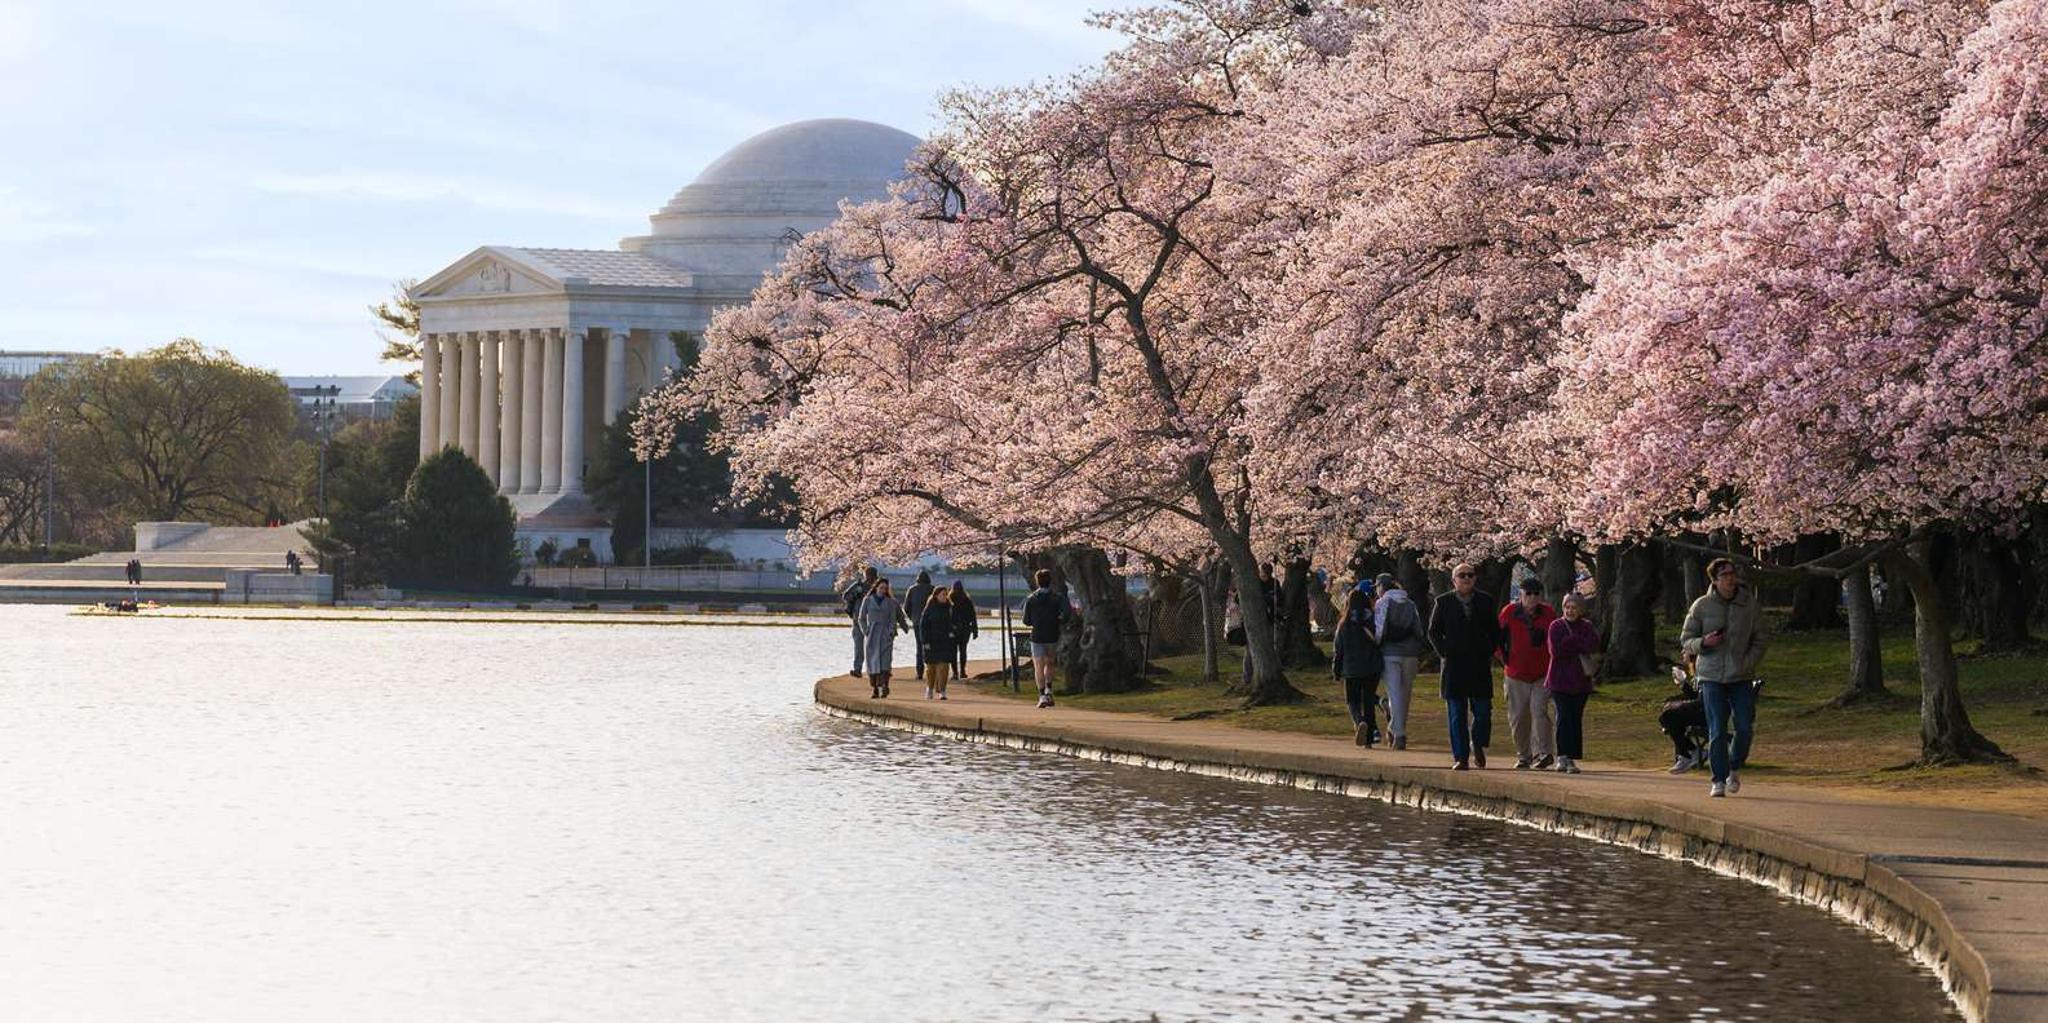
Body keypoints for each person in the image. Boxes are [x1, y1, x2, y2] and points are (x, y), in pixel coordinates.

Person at [1681, 558, 1768, 797]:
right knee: (1717, 728)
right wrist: (1703, 643)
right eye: (1725, 575)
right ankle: (1718, 779)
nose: (1730, 578)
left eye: (1732, 573)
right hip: (1711, 675)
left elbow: (1761, 638)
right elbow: (1686, 640)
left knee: (1744, 727)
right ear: (1715, 580)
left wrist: (1747, 662)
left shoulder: (1749, 605)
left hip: (1740, 675)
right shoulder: (1701, 606)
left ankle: (1734, 765)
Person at [1429, 563, 1501, 771]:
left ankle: (1477, 743)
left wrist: (1488, 650)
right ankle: (1461, 757)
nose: (1467, 578)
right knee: (1456, 714)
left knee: (1482, 712)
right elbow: (1433, 631)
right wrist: (1444, 652)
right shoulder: (1443, 602)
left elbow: (1494, 631)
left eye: (1470, 575)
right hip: (1454, 665)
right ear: (1454, 580)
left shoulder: (1485, 601)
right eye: (1462, 575)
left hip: (1478, 664)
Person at [1497, 578, 1559, 770]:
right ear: (1521, 595)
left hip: (1542, 673)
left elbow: (1555, 637)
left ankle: (1544, 752)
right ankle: (1524, 755)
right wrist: (1505, 660)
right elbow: (1497, 639)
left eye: (1536, 594)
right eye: (1528, 593)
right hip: (1515, 673)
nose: (1533, 598)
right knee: (1518, 716)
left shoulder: (1548, 613)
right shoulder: (1509, 613)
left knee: (1539, 711)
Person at [1545, 592, 1601, 774]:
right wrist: (1575, 642)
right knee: (1563, 716)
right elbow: (1556, 651)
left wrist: (1572, 642)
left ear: (1580, 609)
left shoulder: (1587, 626)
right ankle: (1562, 756)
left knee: (1575, 718)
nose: (1570, 611)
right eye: (1567, 607)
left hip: (1580, 681)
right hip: (1559, 681)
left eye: (1574, 607)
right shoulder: (1556, 626)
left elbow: (1593, 644)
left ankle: (1572, 757)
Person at [1372, 573, 1426, 750]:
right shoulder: (1410, 604)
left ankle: (1398, 732)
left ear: (1382, 587)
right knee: (1405, 694)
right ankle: (1398, 731)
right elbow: (1418, 629)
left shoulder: (1383, 603)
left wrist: (1375, 647)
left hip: (1390, 653)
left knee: (1395, 694)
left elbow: (1379, 630)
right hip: (1410, 653)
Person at [1331, 588, 1384, 747]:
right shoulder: (1373, 621)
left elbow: (1338, 650)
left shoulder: (1344, 625)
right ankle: (1368, 739)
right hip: (1371, 667)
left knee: (1352, 701)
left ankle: (1359, 722)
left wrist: (1336, 671)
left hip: (1351, 668)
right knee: (1368, 701)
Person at [1022, 569, 1068, 709]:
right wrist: (1058, 620)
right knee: (1050, 663)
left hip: (1037, 636)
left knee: (1038, 666)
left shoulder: (1031, 599)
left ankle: (1041, 695)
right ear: (1050, 581)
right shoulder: (1057, 598)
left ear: (1037, 581)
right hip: (1052, 634)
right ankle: (1049, 689)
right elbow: (1066, 614)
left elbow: (1026, 621)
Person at [860, 577, 910, 698]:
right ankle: (875, 688)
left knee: (885, 663)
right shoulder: (867, 600)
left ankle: (885, 686)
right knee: (873, 662)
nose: (883, 590)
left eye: (885, 588)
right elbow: (861, 618)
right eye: (881, 587)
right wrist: (866, 631)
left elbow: (895, 617)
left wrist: (892, 632)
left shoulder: (891, 602)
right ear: (876, 587)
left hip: (885, 634)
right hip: (872, 634)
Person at [1661, 660, 1709, 773]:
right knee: (1668, 717)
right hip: (1700, 711)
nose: (1683, 653)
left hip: (1709, 714)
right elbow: (1694, 695)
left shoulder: (1704, 667)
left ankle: (1687, 755)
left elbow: (1703, 701)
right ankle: (1691, 752)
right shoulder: (1694, 668)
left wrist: (1680, 704)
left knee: (1669, 717)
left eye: (1685, 651)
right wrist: (1682, 684)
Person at [842, 566, 880, 678]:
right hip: (871, 619)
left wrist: (855, 595)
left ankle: (858, 669)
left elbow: (845, 596)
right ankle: (874, 670)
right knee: (872, 645)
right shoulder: (878, 587)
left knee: (859, 645)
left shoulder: (859, 586)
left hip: (859, 618)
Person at [919, 587, 957, 700]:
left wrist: (953, 633)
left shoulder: (950, 609)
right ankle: (929, 688)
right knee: (931, 668)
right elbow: (923, 626)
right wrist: (925, 641)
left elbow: (954, 623)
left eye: (946, 594)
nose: (945, 596)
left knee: (944, 667)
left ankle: (942, 690)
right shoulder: (929, 609)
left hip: (945, 642)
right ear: (936, 596)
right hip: (931, 642)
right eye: (942, 594)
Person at [903, 570, 935, 677]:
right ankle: (931, 669)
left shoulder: (912, 589)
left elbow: (906, 607)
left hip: (917, 621)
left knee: (919, 646)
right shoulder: (932, 589)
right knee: (930, 644)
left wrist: (912, 618)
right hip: (931, 622)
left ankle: (919, 671)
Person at [948, 580, 977, 676]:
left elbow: (947, 616)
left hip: (953, 629)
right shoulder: (967, 600)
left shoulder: (950, 600)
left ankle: (955, 672)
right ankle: (963, 671)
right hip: (965, 629)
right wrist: (975, 630)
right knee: (963, 650)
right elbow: (973, 616)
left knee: (953, 651)